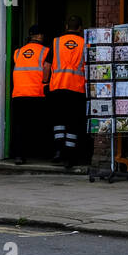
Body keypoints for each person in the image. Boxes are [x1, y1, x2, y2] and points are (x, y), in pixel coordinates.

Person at [48, 16, 87, 168]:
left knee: (59, 120)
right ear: (80, 28)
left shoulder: (56, 42)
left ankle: (58, 151)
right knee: (73, 122)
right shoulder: (84, 43)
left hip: (57, 87)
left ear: (66, 26)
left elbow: (46, 65)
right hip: (76, 88)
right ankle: (69, 158)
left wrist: (46, 83)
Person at [10, 25, 50, 164]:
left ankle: (19, 156)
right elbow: (47, 68)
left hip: (19, 94)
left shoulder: (18, 52)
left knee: (20, 126)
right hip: (37, 93)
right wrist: (46, 84)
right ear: (39, 36)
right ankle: (41, 153)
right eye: (42, 35)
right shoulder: (46, 51)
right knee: (39, 125)